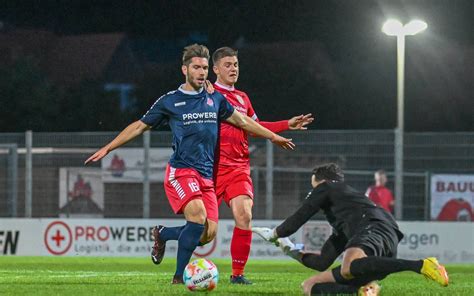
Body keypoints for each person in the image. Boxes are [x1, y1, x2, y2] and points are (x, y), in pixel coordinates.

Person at [85, 44, 295, 284]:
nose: (201, 72)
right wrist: (108, 147)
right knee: (196, 216)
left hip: (207, 175)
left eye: (204, 68)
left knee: (206, 235)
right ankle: (179, 278)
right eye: (196, 67)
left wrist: (274, 135)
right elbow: (139, 126)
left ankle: (163, 234)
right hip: (182, 171)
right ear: (184, 69)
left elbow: (243, 122)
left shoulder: (215, 99)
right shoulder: (170, 101)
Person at [253, 163, 449, 295]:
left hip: (373, 225)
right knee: (311, 287)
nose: (313, 191)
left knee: (347, 267)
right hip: (384, 233)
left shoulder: (327, 186)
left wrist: (275, 234)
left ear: (322, 181)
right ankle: (364, 290)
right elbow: (322, 262)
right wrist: (291, 252)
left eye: (314, 186)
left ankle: (421, 265)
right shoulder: (345, 216)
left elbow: (300, 216)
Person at [210, 47, 314, 284]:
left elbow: (254, 126)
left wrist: (287, 124)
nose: (233, 68)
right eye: (227, 64)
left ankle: (237, 275)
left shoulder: (242, 98)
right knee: (204, 231)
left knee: (244, 216)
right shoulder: (209, 93)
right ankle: (167, 238)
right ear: (215, 69)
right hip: (212, 167)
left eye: (235, 64)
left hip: (238, 168)